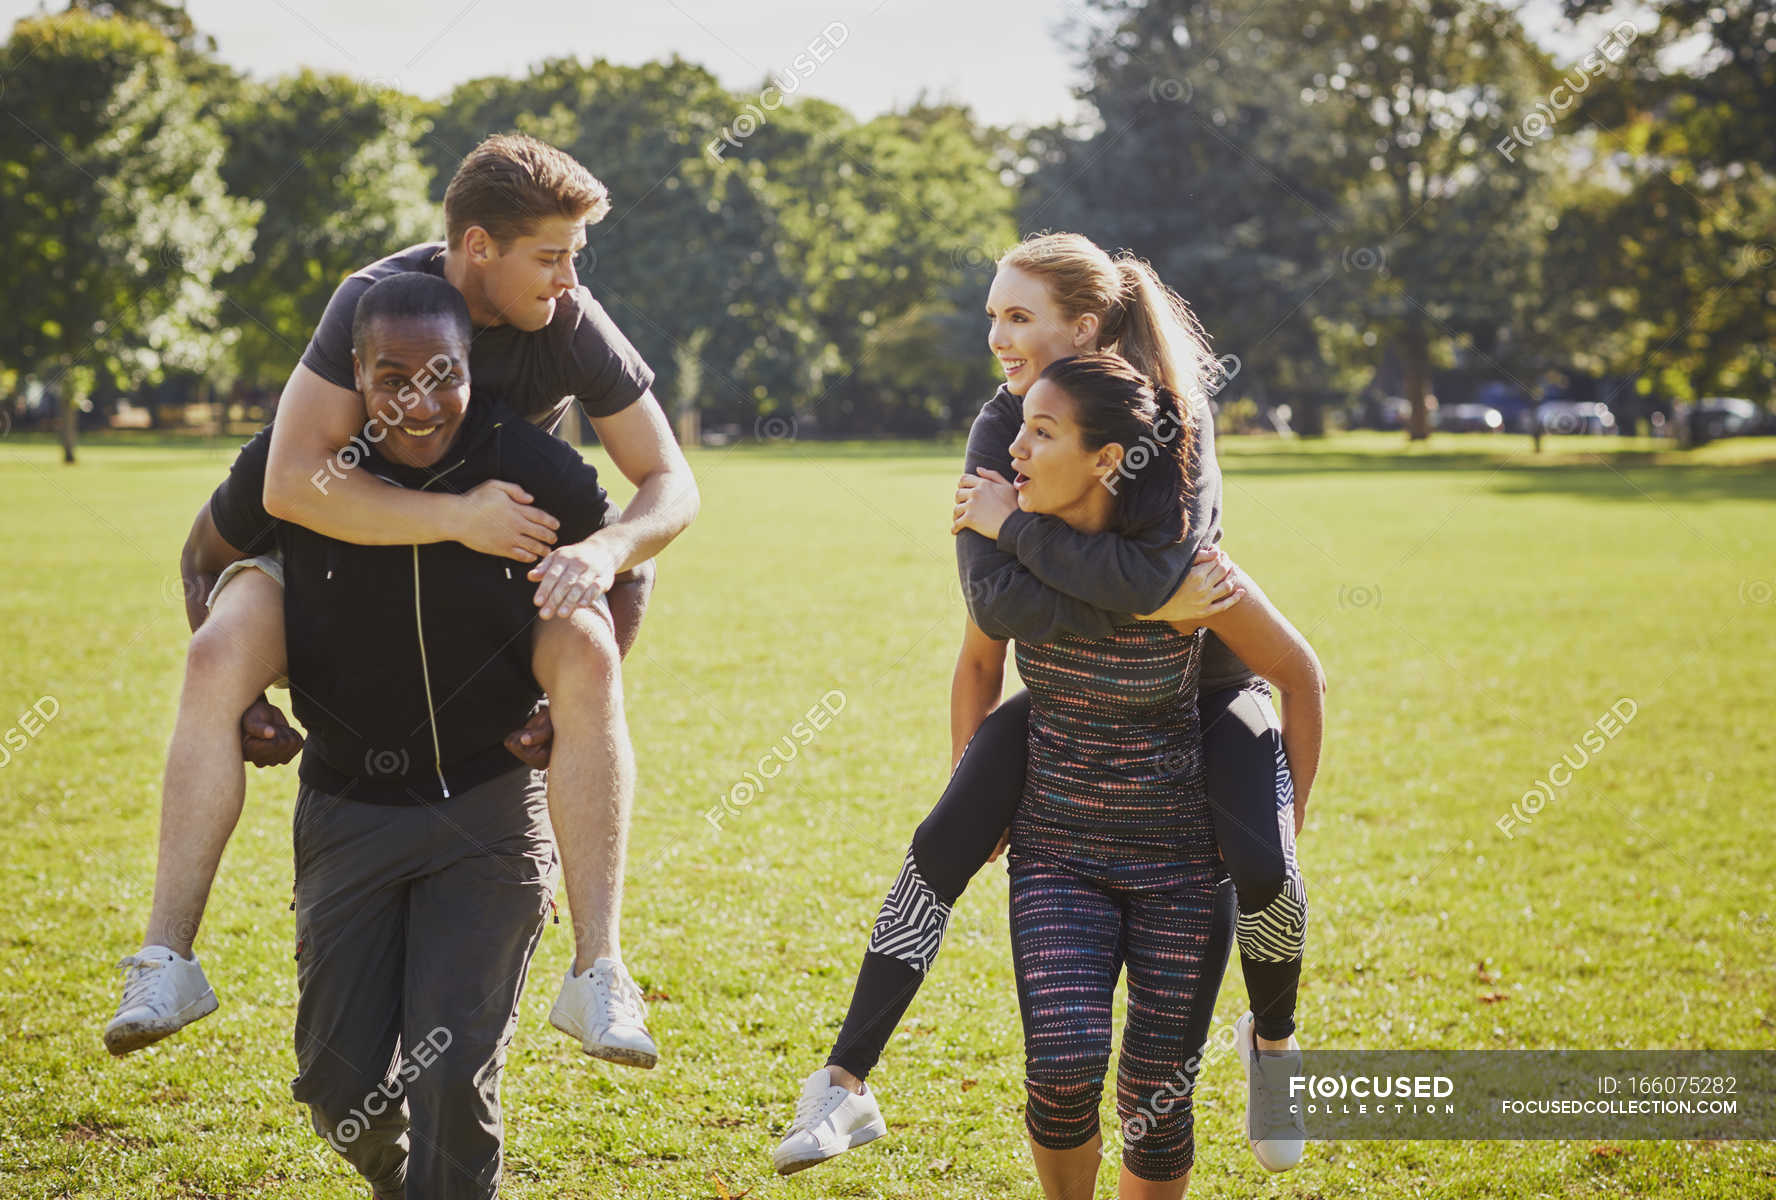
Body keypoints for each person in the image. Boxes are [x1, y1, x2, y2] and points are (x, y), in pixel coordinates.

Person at [105, 134, 699, 1069]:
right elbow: (292, 487)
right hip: (347, 554)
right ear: (476, 248)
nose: (569, 279)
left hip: (494, 562)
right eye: (549, 256)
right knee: (215, 654)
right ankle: (166, 957)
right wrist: (458, 515)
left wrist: (604, 549)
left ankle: (599, 974)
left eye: (574, 256)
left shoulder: (571, 321)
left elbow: (669, 482)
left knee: (586, 645)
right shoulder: (367, 302)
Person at [777, 233, 1318, 1176]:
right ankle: (844, 1083)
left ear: (1087, 325)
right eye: (993, 314)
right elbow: (995, 609)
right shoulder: (1001, 427)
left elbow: (1176, 576)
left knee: (1268, 869)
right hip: (1063, 707)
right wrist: (1098, 573)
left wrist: (1290, 812)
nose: (995, 336)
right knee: (941, 842)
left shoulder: (1172, 421)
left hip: (1205, 698)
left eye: (1017, 316)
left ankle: (1273, 1046)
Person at [196, 271, 633, 1198]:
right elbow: (205, 557)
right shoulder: (295, 467)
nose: (418, 400)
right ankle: (406, 1179)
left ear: (472, 367)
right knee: (335, 1084)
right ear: (354, 373)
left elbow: (622, 564)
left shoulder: (530, 462)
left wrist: (582, 687)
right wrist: (235, 696)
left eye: (442, 374)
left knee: (452, 1075)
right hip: (347, 807)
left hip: (490, 810)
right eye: (390, 376)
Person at [988, 352, 1324, 1197]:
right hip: (1059, 852)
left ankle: (1273, 1039)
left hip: (1181, 865)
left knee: (1156, 1098)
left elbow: (1300, 677)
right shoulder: (1007, 552)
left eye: (1041, 430)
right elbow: (975, 661)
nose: (1010, 449)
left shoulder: (1194, 573)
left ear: (1107, 459)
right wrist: (976, 796)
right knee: (1061, 1069)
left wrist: (1287, 830)